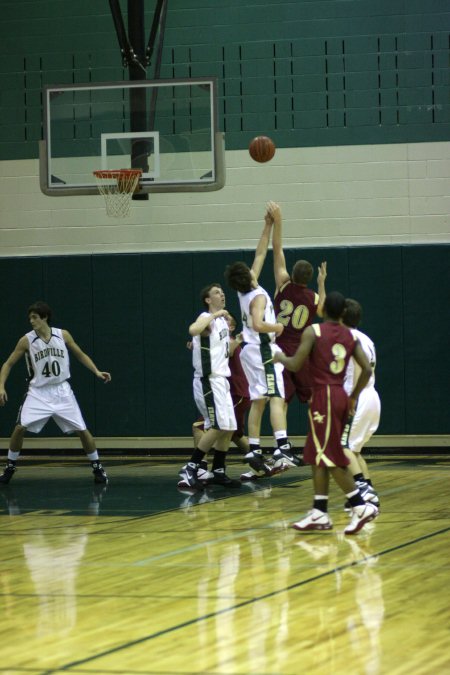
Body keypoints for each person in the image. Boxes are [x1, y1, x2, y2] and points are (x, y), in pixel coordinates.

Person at [273, 291, 379, 535]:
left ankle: (360, 506)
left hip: (325, 396)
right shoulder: (350, 336)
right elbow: (366, 369)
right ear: (342, 313)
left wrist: (279, 356)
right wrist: (353, 396)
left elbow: (295, 364)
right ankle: (319, 510)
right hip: (340, 395)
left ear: (321, 310)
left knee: (328, 456)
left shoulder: (314, 331)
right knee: (316, 454)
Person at [224, 204, 301, 476]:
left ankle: (254, 449)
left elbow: (260, 252)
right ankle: (282, 446)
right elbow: (258, 324)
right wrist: (277, 327)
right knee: (276, 396)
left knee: (259, 401)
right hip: (262, 349)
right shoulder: (256, 297)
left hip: (251, 351)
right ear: (248, 276)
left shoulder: (246, 290)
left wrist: (267, 225)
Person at [0, 301, 110, 484]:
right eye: (30, 318)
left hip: (62, 390)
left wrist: (96, 371)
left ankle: (98, 468)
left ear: (45, 317)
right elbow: (8, 363)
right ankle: (10, 468)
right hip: (38, 392)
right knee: (20, 427)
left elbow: (80, 354)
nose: (31, 321)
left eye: (34, 317)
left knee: (82, 429)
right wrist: (1, 386)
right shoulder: (26, 340)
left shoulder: (63, 335)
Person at [178, 283, 240, 490]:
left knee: (229, 427)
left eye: (222, 292)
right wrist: (214, 316)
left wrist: (240, 338)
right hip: (208, 380)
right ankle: (191, 467)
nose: (221, 294)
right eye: (216, 292)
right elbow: (193, 329)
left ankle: (219, 471)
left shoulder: (223, 322)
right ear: (207, 299)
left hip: (222, 380)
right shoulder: (205, 318)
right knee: (217, 425)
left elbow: (226, 352)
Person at [270, 200, 327, 407]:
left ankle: (282, 439)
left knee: (281, 401)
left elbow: (277, 249)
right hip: (302, 352)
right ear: (310, 278)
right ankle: (319, 433)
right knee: (311, 399)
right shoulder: (313, 297)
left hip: (280, 348)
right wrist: (322, 284)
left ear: (292, 273)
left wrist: (278, 220)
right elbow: (322, 311)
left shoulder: (283, 285)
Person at [341, 298, 381, 508]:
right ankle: (368, 490)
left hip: (358, 396)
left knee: (342, 447)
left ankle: (361, 488)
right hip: (372, 396)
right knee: (354, 451)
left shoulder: (348, 338)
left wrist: (351, 397)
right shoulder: (366, 338)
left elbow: (359, 371)